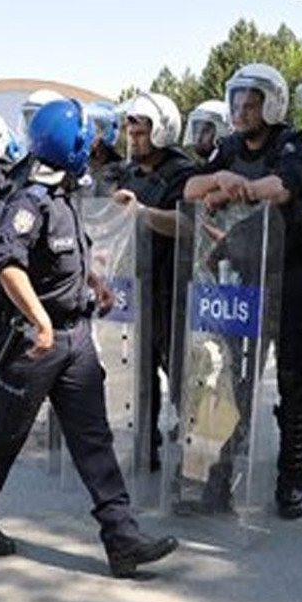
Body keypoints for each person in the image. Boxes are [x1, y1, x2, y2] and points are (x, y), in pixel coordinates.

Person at [0, 98, 178, 578]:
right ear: (70, 144)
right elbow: (7, 266)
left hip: (75, 338)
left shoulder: (64, 196)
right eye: (84, 138)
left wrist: (93, 284)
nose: (92, 145)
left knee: (93, 440)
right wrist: (39, 320)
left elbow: (64, 260)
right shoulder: (29, 200)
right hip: (32, 344)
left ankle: (122, 540)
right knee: (5, 435)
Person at [184, 63, 302, 519]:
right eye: (236, 102)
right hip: (241, 278)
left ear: (272, 104)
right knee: (229, 380)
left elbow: (282, 188)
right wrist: (220, 181)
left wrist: (236, 188)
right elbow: (190, 186)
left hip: (289, 275)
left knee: (291, 381)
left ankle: (292, 477)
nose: (240, 111)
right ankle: (216, 479)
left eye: (251, 103)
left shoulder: (291, 143)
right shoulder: (226, 146)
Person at [110, 92, 196, 474]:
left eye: (141, 132)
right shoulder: (128, 175)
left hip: (174, 290)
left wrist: (142, 212)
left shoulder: (184, 174)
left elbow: (188, 225)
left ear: (161, 132)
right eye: (130, 132)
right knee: (139, 376)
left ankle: (195, 459)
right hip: (137, 289)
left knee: (183, 379)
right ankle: (146, 448)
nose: (133, 140)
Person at [84, 101, 124, 197]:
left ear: (107, 133)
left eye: (94, 129)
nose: (87, 134)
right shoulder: (81, 166)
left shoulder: (122, 170)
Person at [184, 100, 230, 166]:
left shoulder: (234, 168)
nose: (199, 137)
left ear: (222, 132)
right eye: (196, 130)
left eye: (206, 131)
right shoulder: (197, 169)